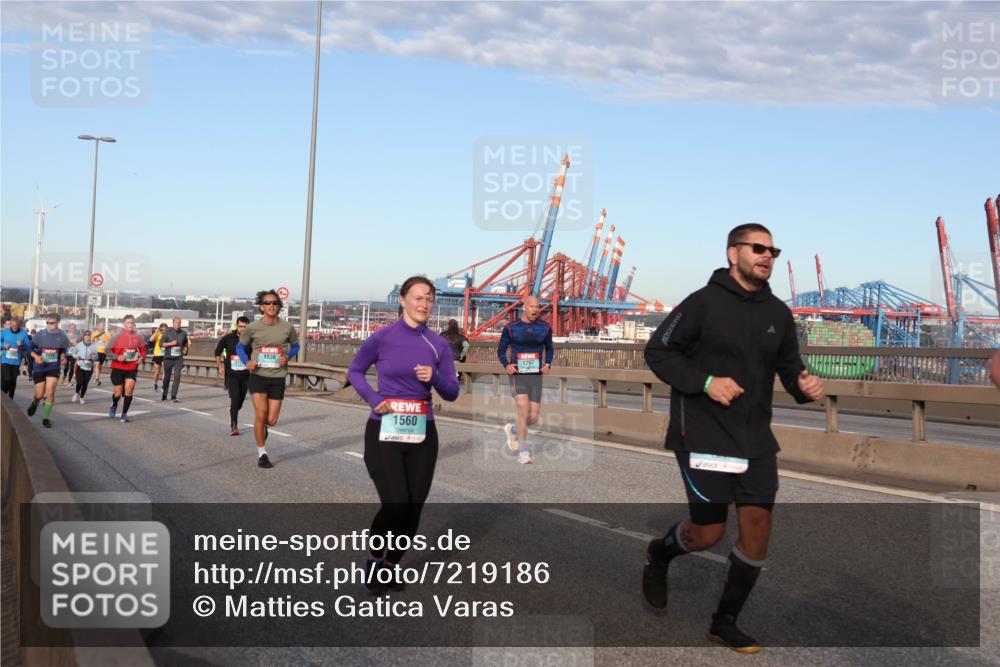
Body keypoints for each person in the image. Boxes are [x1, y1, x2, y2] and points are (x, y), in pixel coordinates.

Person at [642, 224, 825, 653]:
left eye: (773, 250)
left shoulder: (778, 312)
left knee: (758, 532)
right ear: (732, 253)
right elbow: (658, 351)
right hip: (702, 434)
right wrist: (706, 382)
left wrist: (804, 386)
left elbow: (790, 366)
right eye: (758, 248)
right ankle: (660, 553)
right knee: (708, 534)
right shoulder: (701, 303)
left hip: (756, 440)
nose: (767, 255)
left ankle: (724, 622)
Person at [347, 276, 460, 593]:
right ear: (402, 300)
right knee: (396, 504)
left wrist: (435, 376)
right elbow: (355, 371)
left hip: (422, 429)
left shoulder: (437, 345)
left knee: (413, 507)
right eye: (418, 297)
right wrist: (373, 398)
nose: (424, 304)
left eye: (429, 299)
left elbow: (452, 392)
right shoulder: (382, 338)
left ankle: (391, 565)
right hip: (384, 427)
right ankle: (374, 559)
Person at [237, 291, 300, 468]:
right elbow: (240, 347)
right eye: (267, 303)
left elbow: (296, 346)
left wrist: (287, 356)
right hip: (258, 376)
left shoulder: (287, 327)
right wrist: (246, 362)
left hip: (278, 377)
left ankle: (262, 428)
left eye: (274, 302)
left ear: (279, 306)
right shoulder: (253, 327)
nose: (271, 305)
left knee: (271, 420)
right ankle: (262, 453)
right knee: (261, 413)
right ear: (261, 307)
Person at [497, 295, 554, 465]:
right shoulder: (511, 327)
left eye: (538, 307)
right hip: (518, 375)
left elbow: (550, 349)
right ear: (524, 307)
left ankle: (513, 429)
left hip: (535, 375)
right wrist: (507, 364)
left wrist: (548, 364)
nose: (535, 310)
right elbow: (501, 349)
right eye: (532, 307)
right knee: (523, 409)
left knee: (534, 417)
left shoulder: (545, 328)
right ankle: (523, 451)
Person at [26, 314, 70, 428]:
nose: (49, 325)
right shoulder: (40, 335)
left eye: (52, 323)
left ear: (58, 323)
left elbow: (63, 350)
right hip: (40, 366)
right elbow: (30, 348)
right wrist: (36, 357)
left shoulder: (63, 336)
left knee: (50, 392)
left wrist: (63, 357)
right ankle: (35, 402)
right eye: (48, 323)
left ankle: (46, 419)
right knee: (39, 395)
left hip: (53, 367)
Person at [107, 314, 147, 423]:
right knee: (118, 393)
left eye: (132, 323)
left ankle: (124, 414)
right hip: (118, 367)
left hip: (132, 367)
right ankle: (114, 405)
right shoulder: (116, 336)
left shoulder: (138, 337)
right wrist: (117, 357)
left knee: (129, 389)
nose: (131, 325)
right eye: (129, 322)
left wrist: (141, 358)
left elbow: (143, 350)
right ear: (124, 324)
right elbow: (107, 350)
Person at [216, 316, 251, 435]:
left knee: (240, 401)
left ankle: (233, 409)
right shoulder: (228, 338)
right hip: (232, 374)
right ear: (236, 326)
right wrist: (220, 366)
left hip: (246, 375)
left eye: (245, 327)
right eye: (240, 326)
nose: (242, 329)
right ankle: (234, 426)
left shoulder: (251, 339)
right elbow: (217, 352)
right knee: (235, 398)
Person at [160, 318, 189, 402]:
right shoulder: (167, 332)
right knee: (167, 377)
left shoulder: (183, 333)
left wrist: (185, 349)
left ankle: (173, 396)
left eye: (179, 322)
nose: (178, 324)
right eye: (177, 322)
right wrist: (171, 343)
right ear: (173, 323)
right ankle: (164, 395)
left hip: (178, 358)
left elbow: (185, 343)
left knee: (177, 376)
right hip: (168, 358)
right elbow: (161, 344)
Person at [1, 317, 30, 399]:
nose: (14, 327)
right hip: (5, 360)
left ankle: (10, 397)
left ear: (19, 325)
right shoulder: (5, 331)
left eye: (16, 325)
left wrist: (22, 345)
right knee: (6, 379)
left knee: (13, 381)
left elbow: (28, 346)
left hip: (16, 361)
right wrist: (3, 345)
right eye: (12, 325)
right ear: (10, 324)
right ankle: (3, 395)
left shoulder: (23, 333)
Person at [71, 330, 98, 404]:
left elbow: (96, 357)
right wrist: (76, 356)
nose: (87, 337)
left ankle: (82, 397)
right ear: (83, 336)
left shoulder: (93, 346)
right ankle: (76, 393)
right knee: (80, 381)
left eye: (89, 335)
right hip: (80, 364)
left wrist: (94, 355)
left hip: (89, 366)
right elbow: (73, 352)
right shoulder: (79, 345)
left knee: (85, 383)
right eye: (86, 335)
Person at [147, 322, 167, 392]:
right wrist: (156, 331)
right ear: (160, 329)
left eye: (165, 329)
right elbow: (151, 340)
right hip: (157, 354)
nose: (164, 331)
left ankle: (163, 386)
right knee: (157, 372)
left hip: (165, 355)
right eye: (162, 329)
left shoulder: (168, 335)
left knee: (165, 372)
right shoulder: (158, 334)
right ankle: (155, 384)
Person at [92, 321, 111, 386]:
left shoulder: (107, 334)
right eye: (100, 325)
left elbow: (109, 343)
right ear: (97, 326)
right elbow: (91, 341)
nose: (101, 327)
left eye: (102, 325)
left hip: (103, 352)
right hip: (96, 351)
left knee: (100, 366)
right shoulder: (94, 334)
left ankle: (97, 377)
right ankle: (97, 380)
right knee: (97, 364)